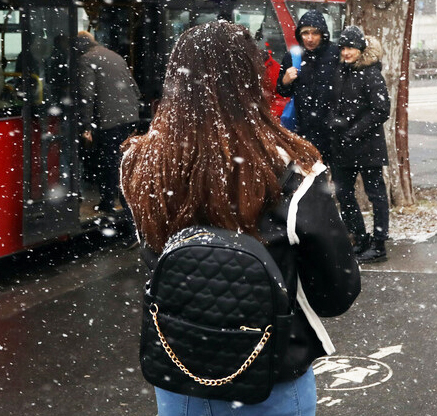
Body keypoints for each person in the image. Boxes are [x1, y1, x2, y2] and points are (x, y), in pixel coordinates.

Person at [119, 21, 360, 416]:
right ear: (250, 81)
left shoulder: (137, 162)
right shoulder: (296, 169)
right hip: (273, 373)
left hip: (178, 367)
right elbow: (337, 292)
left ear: (174, 81)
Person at [327, 26, 391, 263]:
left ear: (360, 48)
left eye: (351, 47)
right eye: (343, 48)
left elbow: (382, 110)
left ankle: (379, 243)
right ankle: (360, 237)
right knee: (344, 194)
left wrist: (354, 130)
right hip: (342, 146)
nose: (346, 52)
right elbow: (335, 103)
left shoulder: (371, 74)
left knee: (376, 195)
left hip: (367, 147)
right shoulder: (341, 71)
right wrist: (334, 123)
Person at [75, 31, 141, 213]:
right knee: (121, 160)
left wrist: (85, 125)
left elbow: (86, 96)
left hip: (109, 119)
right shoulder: (115, 56)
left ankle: (107, 202)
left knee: (108, 161)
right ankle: (127, 202)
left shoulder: (86, 60)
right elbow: (135, 89)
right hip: (129, 116)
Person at [275, 10, 341, 163]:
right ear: (299, 35)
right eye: (305, 33)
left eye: (315, 33)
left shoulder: (336, 54)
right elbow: (283, 91)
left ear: (323, 34)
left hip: (332, 130)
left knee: (337, 181)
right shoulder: (293, 56)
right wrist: (285, 81)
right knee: (310, 178)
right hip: (303, 128)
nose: (309, 38)